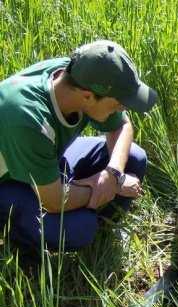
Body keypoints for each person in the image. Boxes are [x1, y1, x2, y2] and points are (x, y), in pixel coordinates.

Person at [0, 40, 157, 253]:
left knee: (134, 158)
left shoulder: (80, 76)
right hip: (10, 182)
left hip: (45, 165)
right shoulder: (27, 117)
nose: (122, 108)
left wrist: (112, 174)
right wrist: (113, 186)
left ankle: (100, 225)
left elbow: (122, 127)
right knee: (80, 228)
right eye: (118, 103)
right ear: (87, 96)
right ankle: (22, 244)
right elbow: (54, 201)